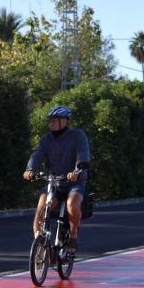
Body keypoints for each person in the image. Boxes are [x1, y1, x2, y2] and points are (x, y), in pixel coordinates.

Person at [24, 106, 90, 253]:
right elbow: (36, 155)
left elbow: (82, 155)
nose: (51, 124)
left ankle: (73, 236)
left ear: (64, 121)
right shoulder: (46, 139)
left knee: (72, 204)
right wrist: (30, 170)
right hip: (53, 183)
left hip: (74, 183)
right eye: (50, 121)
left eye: (54, 121)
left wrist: (77, 171)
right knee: (41, 212)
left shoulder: (78, 136)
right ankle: (40, 248)